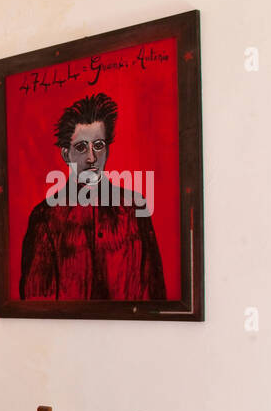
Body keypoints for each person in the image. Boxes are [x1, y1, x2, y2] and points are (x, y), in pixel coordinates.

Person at [19, 92, 166, 301]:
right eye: (81, 147)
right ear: (65, 154)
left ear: (107, 149)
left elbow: (155, 291)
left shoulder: (134, 207)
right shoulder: (45, 217)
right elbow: (36, 300)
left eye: (98, 146)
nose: (91, 157)